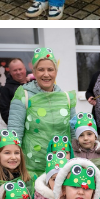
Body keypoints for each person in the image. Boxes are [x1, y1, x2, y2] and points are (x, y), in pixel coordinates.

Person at [7, 48, 78, 177]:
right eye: (41, 69)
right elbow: (14, 134)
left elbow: (74, 133)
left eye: (50, 69)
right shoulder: (23, 96)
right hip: (33, 169)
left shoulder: (66, 98)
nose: (46, 74)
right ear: (34, 71)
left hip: (63, 168)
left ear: (56, 72)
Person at [0, 57, 27, 124]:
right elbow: (5, 112)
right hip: (19, 128)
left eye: (20, 69)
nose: (18, 72)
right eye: (15, 70)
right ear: (10, 72)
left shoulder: (33, 84)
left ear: (25, 69)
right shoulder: (6, 89)